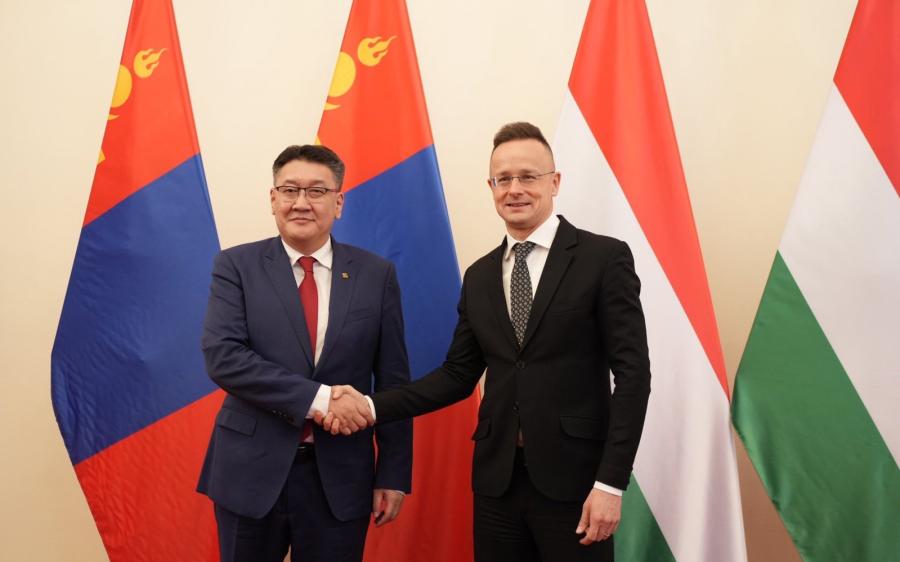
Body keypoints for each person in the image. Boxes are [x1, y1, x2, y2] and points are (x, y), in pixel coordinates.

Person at [320, 122, 651, 561]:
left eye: (528, 177)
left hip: (578, 484)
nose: (515, 189)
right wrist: (370, 405)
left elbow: (633, 376)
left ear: (554, 182)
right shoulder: (479, 276)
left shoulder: (603, 258)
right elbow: (457, 376)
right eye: (503, 179)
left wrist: (610, 483)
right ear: (491, 187)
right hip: (498, 485)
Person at [197, 144, 412, 562]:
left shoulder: (376, 274)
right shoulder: (236, 266)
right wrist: (322, 399)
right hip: (250, 471)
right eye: (290, 190)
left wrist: (393, 472)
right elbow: (224, 357)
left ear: (338, 202)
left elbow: (393, 380)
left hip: (341, 477)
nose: (301, 202)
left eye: (316, 191)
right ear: (273, 198)